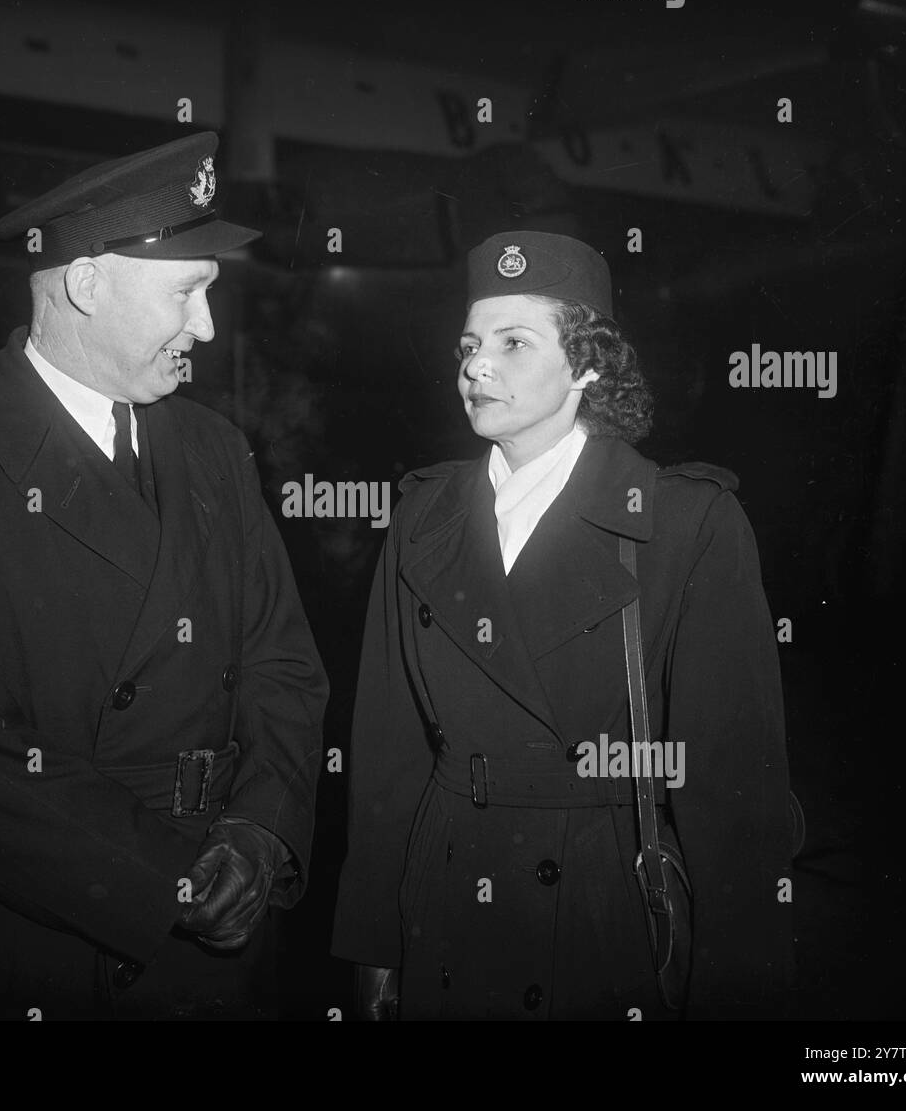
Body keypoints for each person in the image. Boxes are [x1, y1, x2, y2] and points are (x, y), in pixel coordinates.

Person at [0, 132, 328, 1019]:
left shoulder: (214, 448)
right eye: (186, 293)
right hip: (44, 941)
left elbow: (283, 668)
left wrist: (261, 832)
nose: (206, 328)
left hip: (225, 940)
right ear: (85, 284)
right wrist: (167, 880)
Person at [330, 231, 794, 1020]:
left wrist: (738, 988)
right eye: (469, 346)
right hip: (443, 895)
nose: (476, 367)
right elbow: (387, 752)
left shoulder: (685, 522)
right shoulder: (421, 516)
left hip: (598, 905)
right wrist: (375, 943)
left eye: (513, 343)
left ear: (588, 366)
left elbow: (733, 790)